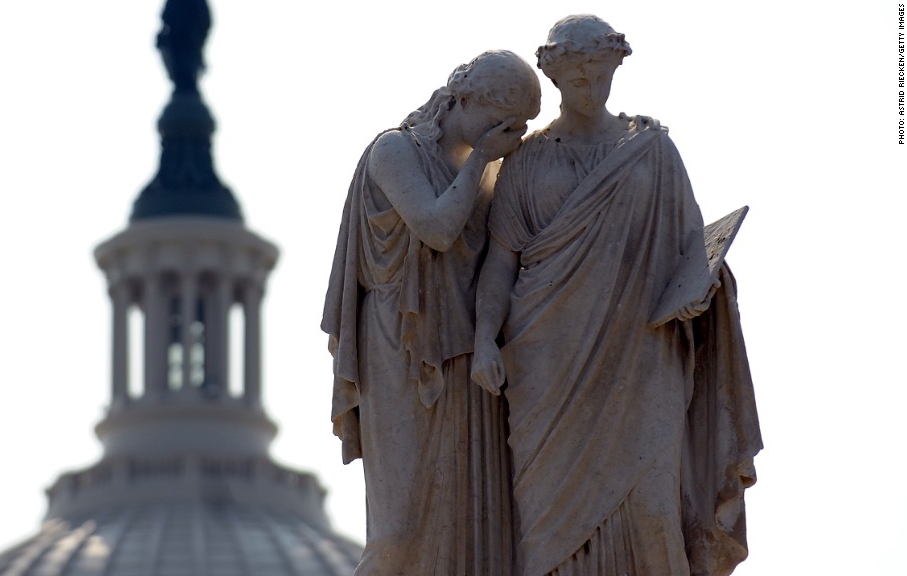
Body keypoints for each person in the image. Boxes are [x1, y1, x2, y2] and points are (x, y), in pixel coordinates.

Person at [471, 15, 762, 576]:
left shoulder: (651, 151)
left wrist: (703, 291)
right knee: (547, 533)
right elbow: (501, 261)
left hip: (642, 353)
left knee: (653, 508)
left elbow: (690, 249)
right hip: (546, 363)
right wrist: (485, 338)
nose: (592, 88)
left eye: (601, 77)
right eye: (579, 79)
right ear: (555, 80)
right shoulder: (525, 161)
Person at [322, 50, 541, 574]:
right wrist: (483, 159)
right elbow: (437, 229)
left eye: (521, 126)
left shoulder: (486, 175)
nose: (510, 133)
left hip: (466, 350)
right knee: (398, 531)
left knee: (467, 519)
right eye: (503, 120)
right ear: (466, 99)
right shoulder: (394, 150)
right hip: (400, 341)